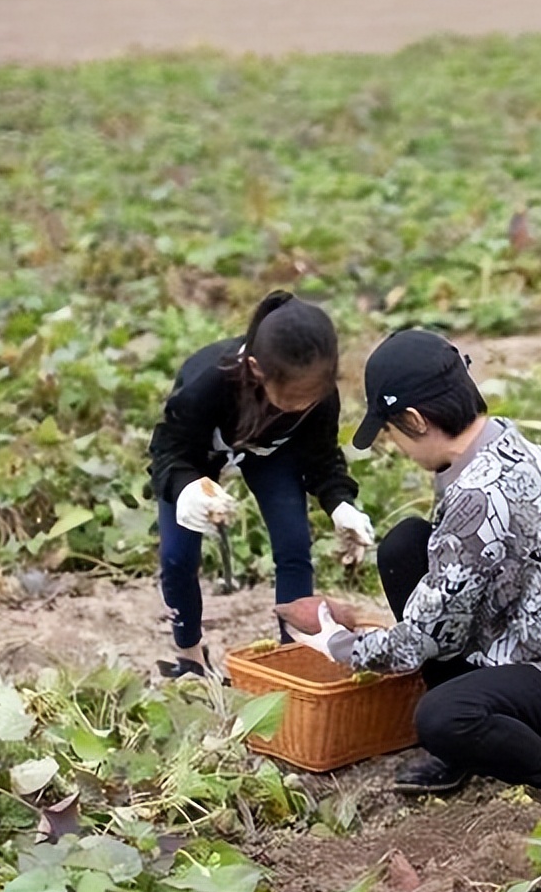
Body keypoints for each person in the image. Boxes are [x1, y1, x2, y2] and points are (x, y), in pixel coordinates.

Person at [288, 328, 541, 806]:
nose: (397, 447)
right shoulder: (496, 443)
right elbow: (452, 595)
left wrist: (338, 644)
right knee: (405, 545)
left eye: (390, 432)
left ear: (414, 419)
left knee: (441, 717)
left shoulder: (479, 494)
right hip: (537, 636)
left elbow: (421, 640)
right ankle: (470, 747)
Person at [148, 291, 375, 679]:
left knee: (293, 544)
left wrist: (341, 504)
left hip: (270, 453)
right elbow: (168, 450)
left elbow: (321, 457)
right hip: (196, 455)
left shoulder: (319, 397)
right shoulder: (208, 382)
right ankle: (190, 656)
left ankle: (294, 657)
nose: (303, 406)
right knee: (177, 556)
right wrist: (185, 488)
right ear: (256, 369)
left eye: (311, 398)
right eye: (291, 399)